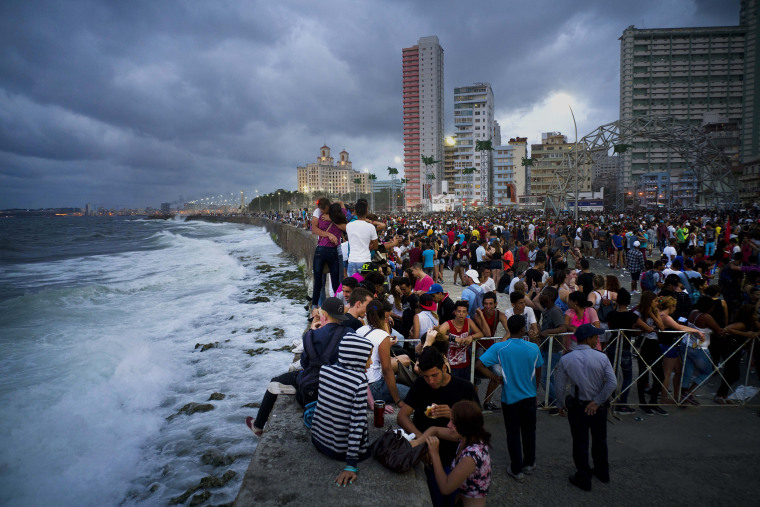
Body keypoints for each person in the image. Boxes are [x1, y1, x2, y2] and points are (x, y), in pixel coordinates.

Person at [246, 297, 351, 436]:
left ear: (323, 316)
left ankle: (258, 425)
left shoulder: (310, 336)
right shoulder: (350, 333)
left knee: (275, 381)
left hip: (314, 387)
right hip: (339, 388)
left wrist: (312, 332)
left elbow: (304, 364)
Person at [398, 347, 480, 506]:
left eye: (434, 375)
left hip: (453, 456)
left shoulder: (464, 388)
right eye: (426, 376)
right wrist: (423, 440)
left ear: (444, 368)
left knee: (449, 497)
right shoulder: (420, 384)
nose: (431, 381)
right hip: (427, 455)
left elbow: (477, 425)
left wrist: (454, 414)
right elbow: (402, 416)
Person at [476, 314, 543, 482]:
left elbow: (479, 365)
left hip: (510, 398)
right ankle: (529, 463)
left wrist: (494, 377)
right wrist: (535, 389)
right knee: (529, 431)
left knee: (513, 433)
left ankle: (516, 469)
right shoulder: (533, 347)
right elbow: (539, 369)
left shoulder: (500, 348)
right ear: (522, 329)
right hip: (529, 396)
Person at [555, 324, 617, 492]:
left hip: (578, 406)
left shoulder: (566, 359)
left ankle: (583, 476)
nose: (597, 339)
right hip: (598, 407)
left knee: (580, 442)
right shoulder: (602, 357)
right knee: (600, 440)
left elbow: (560, 387)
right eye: (595, 336)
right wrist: (597, 401)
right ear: (588, 339)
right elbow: (612, 383)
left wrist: (560, 405)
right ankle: (602, 472)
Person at [310, 332, 374, 486]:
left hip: (318, 440)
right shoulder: (359, 382)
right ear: (357, 357)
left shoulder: (325, 370)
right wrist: (351, 465)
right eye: (368, 357)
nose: (371, 362)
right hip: (339, 450)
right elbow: (356, 424)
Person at [424, 401, 491, 506]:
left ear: (465, 426)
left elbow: (445, 488)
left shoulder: (471, 456)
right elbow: (435, 430)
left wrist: (435, 454)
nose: (448, 425)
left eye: (453, 423)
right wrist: (417, 442)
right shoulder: (466, 437)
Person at [605, 288, 654, 414]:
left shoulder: (611, 314)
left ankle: (610, 400)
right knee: (627, 377)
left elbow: (611, 327)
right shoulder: (631, 316)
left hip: (612, 345)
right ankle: (622, 403)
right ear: (628, 302)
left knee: (612, 375)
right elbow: (648, 329)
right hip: (624, 348)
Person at [358, 299, 411, 408]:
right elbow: (387, 370)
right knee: (411, 392)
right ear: (383, 317)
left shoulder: (360, 330)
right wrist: (397, 400)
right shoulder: (382, 336)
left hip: (361, 385)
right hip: (374, 386)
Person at [473, 291, 511, 410]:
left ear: (495, 304)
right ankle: (475, 404)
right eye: (485, 304)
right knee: (475, 378)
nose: (488, 307)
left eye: (490, 304)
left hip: (490, 347)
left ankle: (487, 401)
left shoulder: (500, 315)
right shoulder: (477, 315)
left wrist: (503, 340)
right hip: (477, 347)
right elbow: (487, 333)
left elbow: (510, 330)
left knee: (498, 373)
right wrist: (482, 315)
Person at [439, 300, 484, 381]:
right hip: (450, 365)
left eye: (464, 312)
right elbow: (437, 335)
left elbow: (480, 334)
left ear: (467, 313)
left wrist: (471, 337)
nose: (461, 314)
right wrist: (453, 338)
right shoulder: (448, 324)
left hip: (465, 364)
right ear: (455, 312)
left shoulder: (468, 322)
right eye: (459, 311)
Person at [346, 201, 379, 276]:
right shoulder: (371, 227)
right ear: (366, 212)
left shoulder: (349, 226)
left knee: (352, 286)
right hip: (365, 260)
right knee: (365, 285)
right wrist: (369, 247)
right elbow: (376, 246)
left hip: (352, 260)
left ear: (355, 212)